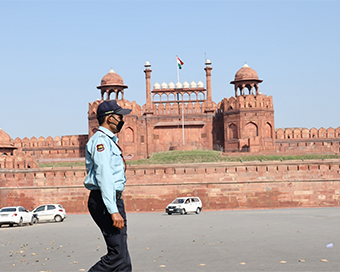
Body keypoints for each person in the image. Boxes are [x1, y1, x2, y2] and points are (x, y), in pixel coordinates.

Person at [84, 100, 132, 272]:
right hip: (105, 202)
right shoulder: (101, 142)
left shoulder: (109, 140)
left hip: (111, 199)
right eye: (119, 116)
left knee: (123, 258)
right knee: (117, 256)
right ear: (110, 118)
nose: (122, 120)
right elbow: (104, 177)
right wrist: (113, 210)